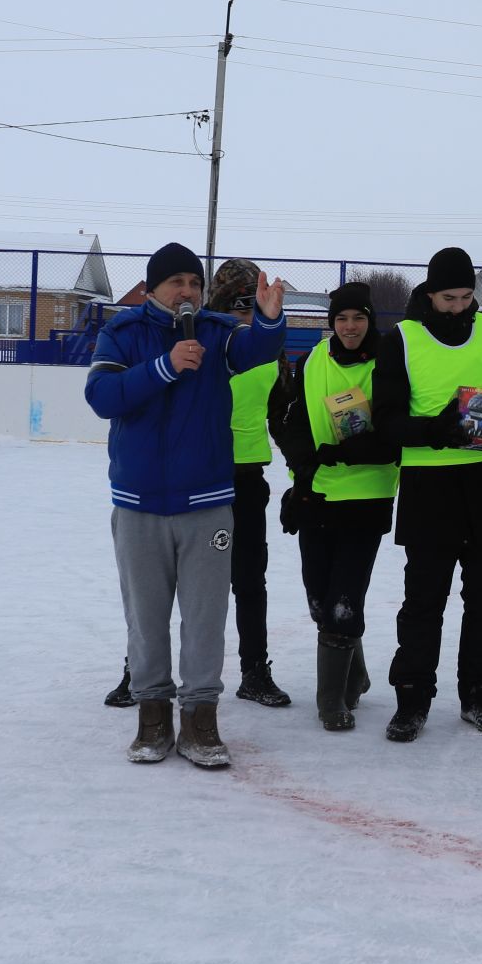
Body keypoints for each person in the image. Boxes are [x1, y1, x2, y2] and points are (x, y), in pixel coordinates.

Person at [85, 242, 286, 767]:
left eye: (194, 283)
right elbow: (102, 396)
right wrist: (164, 367)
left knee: (204, 617)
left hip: (208, 504)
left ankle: (200, 722)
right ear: (152, 289)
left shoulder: (218, 334)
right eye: (176, 282)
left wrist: (267, 320)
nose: (188, 292)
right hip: (140, 504)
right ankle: (152, 719)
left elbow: (258, 352)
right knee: (146, 618)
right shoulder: (122, 333)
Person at [369, 247, 482, 742]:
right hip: (430, 488)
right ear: (430, 293)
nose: (458, 307)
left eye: (465, 297)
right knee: (424, 601)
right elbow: (387, 420)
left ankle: (480, 692)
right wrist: (436, 430)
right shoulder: (403, 338)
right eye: (448, 297)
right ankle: (412, 698)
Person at [270, 282, 398, 731]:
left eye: (358, 318)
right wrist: (302, 469)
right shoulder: (313, 360)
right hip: (318, 494)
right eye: (341, 319)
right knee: (319, 600)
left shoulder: (390, 360)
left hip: (367, 496)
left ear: (370, 321)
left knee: (345, 601)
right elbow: (286, 416)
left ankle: (331, 702)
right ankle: (356, 676)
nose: (349, 327)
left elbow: (394, 429)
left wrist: (347, 452)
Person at [208, 259, 291, 708]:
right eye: (237, 305)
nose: (245, 315)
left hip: (246, 482)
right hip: (195, 479)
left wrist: (304, 479)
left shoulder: (267, 352)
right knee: (176, 581)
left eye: (251, 305)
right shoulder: (198, 342)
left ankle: (254, 671)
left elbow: (286, 419)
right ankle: (140, 669)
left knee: (248, 581)